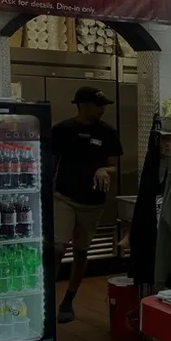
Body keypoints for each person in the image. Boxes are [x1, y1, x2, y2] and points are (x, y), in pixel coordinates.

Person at [52, 86, 123, 323]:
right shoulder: (62, 130)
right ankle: (45, 297)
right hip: (64, 198)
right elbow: (51, 163)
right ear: (83, 105)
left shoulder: (107, 132)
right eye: (98, 104)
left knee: (81, 251)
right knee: (57, 248)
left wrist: (104, 169)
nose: (103, 109)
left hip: (93, 203)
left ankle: (68, 300)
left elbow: (114, 166)